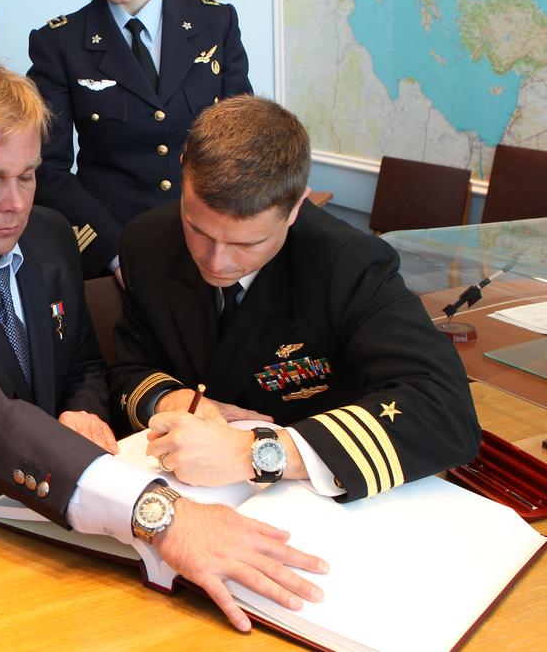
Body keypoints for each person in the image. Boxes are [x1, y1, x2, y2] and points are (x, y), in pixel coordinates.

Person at [0, 59, 328, 632]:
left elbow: (82, 362)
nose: (14, 203)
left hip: (59, 523)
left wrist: (83, 412)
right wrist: (162, 515)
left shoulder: (47, 235)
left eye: (28, 175)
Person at [108, 96, 481, 499]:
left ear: (296, 207)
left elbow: (446, 414)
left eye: (247, 242)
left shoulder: (347, 262)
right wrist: (171, 400)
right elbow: (131, 368)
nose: (215, 260)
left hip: (315, 502)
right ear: (184, 173)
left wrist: (258, 453)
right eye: (198, 229)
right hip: (186, 494)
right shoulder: (147, 241)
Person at [29, 0, 252, 280]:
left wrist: (232, 239)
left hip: (214, 241)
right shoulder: (58, 44)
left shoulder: (215, 23)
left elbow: (244, 142)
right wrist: (115, 254)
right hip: (118, 251)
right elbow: (46, 169)